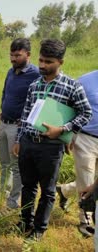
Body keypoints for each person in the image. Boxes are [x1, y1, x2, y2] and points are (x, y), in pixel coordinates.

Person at [13, 39, 92, 242]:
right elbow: (26, 113)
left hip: (51, 147)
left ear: (60, 62)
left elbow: (85, 113)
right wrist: (18, 139)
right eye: (40, 60)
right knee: (28, 186)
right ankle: (25, 222)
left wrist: (63, 130)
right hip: (29, 142)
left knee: (47, 191)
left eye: (48, 61)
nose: (42, 65)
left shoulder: (72, 86)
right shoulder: (35, 85)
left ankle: (39, 229)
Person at [0, 38, 40, 209]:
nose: (13, 59)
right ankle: (2, 195)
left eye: (17, 55)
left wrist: (24, 122)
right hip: (3, 123)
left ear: (28, 55)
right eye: (11, 55)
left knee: (16, 166)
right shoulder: (11, 71)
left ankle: (12, 201)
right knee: (4, 163)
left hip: (17, 127)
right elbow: (5, 92)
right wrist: (2, 109)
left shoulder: (35, 74)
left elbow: (38, 103)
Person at [57, 69, 98, 237]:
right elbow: (70, 107)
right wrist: (69, 135)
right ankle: (85, 220)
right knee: (86, 177)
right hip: (85, 138)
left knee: (94, 182)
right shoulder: (85, 81)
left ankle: (65, 190)